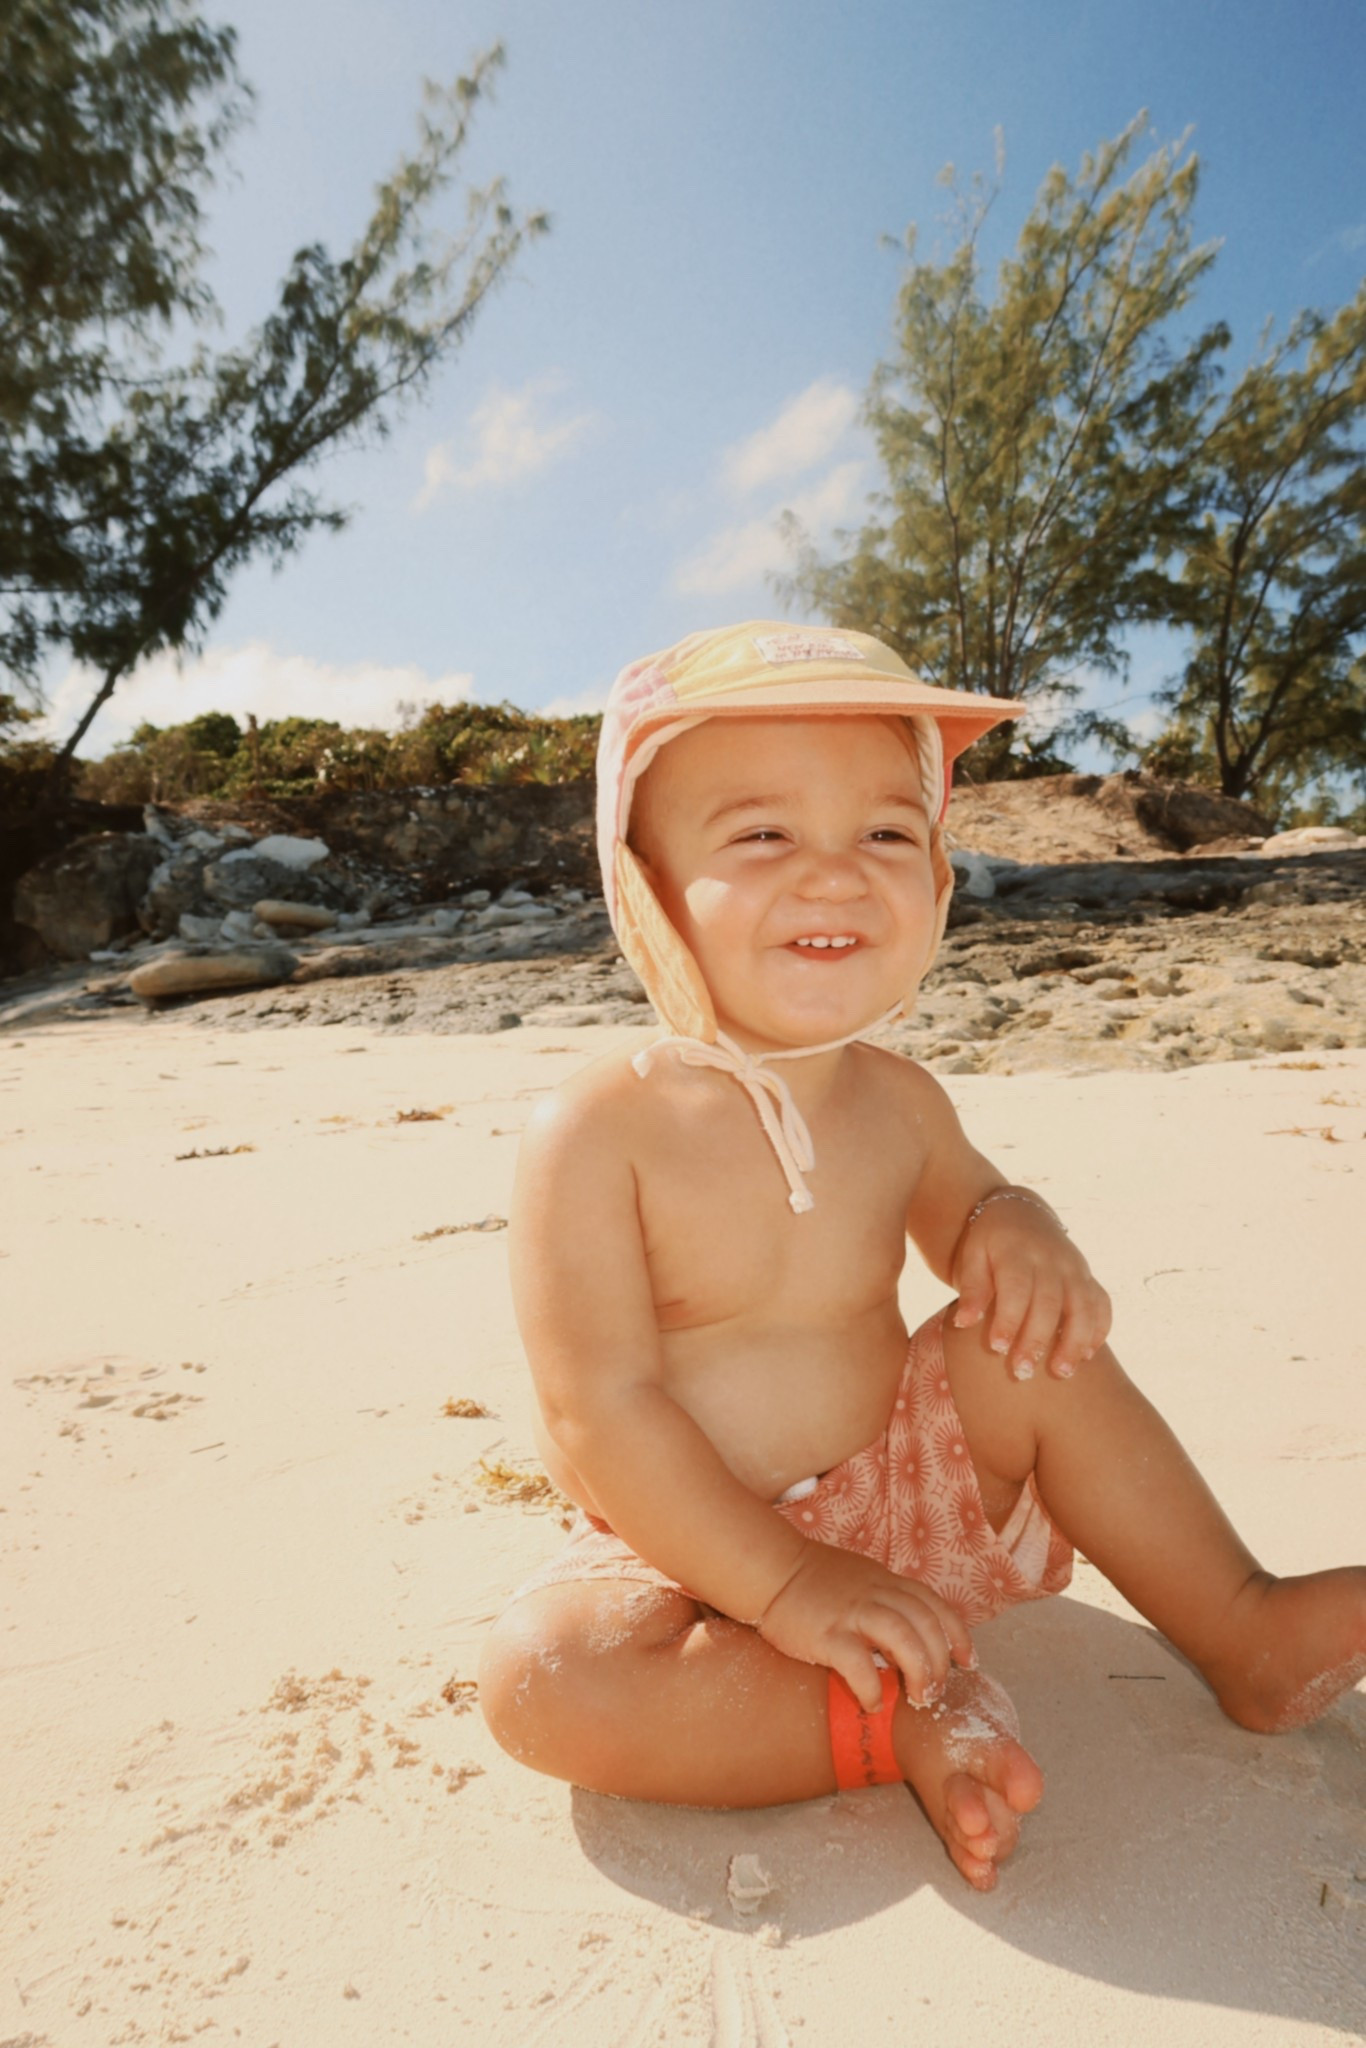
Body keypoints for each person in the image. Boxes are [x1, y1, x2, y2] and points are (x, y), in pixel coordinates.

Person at [478, 622, 1366, 1891]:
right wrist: (782, 1580)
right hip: (689, 1544)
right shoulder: (595, 1131)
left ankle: (1242, 1623)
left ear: (942, 880)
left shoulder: (896, 1099)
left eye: (887, 834)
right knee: (543, 1678)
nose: (836, 875)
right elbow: (598, 1408)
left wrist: (1017, 1224)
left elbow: (974, 1203)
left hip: (904, 1487)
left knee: (1029, 1347)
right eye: (763, 835)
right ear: (646, 889)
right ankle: (887, 1717)